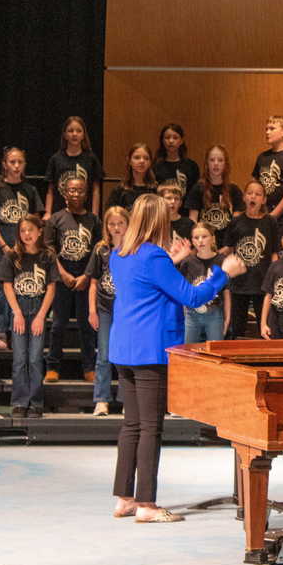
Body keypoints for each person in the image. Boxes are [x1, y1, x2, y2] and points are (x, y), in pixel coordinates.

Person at [110, 195, 245, 523]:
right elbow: (194, 297)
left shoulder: (120, 253)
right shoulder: (154, 256)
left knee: (132, 424)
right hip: (150, 348)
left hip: (124, 347)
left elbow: (148, 283)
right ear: (159, 221)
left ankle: (125, 498)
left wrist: (173, 261)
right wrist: (223, 273)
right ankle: (147, 504)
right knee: (150, 427)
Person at [0, 147, 44, 350]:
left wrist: (29, 244)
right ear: (4, 164)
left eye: (20, 162)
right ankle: (1, 333)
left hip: (26, 247)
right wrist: (4, 246)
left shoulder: (30, 190)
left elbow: (36, 221)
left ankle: (22, 331)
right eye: (12, 162)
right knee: (2, 288)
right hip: (3, 245)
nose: (16, 166)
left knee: (25, 286)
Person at [44, 176, 100, 383]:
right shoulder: (56, 219)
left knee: (87, 326)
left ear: (86, 194)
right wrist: (63, 274)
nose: (76, 194)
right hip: (62, 279)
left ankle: (89, 368)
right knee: (58, 325)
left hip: (85, 279)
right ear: (65, 193)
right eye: (72, 190)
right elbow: (49, 249)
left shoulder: (94, 220)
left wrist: (86, 275)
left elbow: (98, 250)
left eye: (80, 190)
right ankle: (52, 367)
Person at [1, 216, 53, 419]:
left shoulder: (47, 256)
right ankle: (19, 402)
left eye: (30, 229)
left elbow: (51, 288)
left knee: (35, 359)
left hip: (38, 309)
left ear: (39, 231)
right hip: (19, 310)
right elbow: (7, 285)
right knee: (20, 359)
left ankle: (36, 403)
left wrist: (41, 315)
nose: (27, 234)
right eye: (22, 230)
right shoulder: (12, 256)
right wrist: (16, 313)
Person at [86, 206, 129, 416]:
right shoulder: (101, 249)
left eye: (120, 223)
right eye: (112, 224)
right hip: (104, 309)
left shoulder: (133, 249)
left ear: (128, 225)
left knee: (125, 355)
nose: (116, 227)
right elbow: (93, 282)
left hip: (127, 311)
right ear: (106, 226)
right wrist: (92, 311)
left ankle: (127, 400)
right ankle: (101, 400)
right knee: (103, 355)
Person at [221, 180, 277, 339]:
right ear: (244, 197)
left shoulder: (270, 222)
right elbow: (228, 249)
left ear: (263, 200)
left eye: (258, 194)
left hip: (262, 282)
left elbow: (274, 253)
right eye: (250, 193)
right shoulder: (236, 221)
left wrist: (273, 278)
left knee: (264, 328)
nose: (253, 197)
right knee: (237, 328)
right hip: (239, 283)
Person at [179, 222, 230, 343]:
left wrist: (227, 319)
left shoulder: (222, 261)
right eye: (196, 238)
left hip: (214, 314)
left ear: (213, 238)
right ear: (192, 240)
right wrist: (184, 315)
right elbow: (183, 292)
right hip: (191, 314)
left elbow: (227, 293)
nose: (200, 241)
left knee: (215, 350)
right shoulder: (187, 263)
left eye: (204, 236)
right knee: (189, 350)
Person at [44, 116, 103, 216]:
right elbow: (50, 190)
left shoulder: (91, 158)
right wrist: (48, 212)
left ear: (83, 135)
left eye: (79, 131)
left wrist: (95, 214)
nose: (74, 134)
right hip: (60, 212)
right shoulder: (56, 159)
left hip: (85, 212)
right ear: (65, 135)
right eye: (70, 131)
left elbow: (96, 190)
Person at [252, 115, 283, 224]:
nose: (267, 132)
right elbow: (254, 187)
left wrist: (273, 216)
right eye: (266, 129)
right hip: (261, 216)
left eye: (272, 129)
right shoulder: (262, 157)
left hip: (282, 220)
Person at [186, 145, 244, 238]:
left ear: (225, 164)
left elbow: (236, 222)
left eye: (220, 160)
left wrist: (229, 243)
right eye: (212, 160)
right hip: (203, 241)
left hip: (227, 241)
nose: (216, 163)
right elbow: (193, 220)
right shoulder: (197, 189)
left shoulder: (234, 189)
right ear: (206, 164)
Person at [153, 123, 199, 204]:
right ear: (162, 141)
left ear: (181, 141)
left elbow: (195, 194)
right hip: (161, 208)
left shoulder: (191, 166)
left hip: (185, 209)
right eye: (167, 137)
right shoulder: (155, 166)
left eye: (175, 138)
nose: (171, 141)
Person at [108, 143, 159, 211]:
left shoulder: (156, 189)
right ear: (129, 161)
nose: (142, 161)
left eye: (146, 158)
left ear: (150, 162)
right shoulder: (119, 190)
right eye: (137, 157)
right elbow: (111, 213)